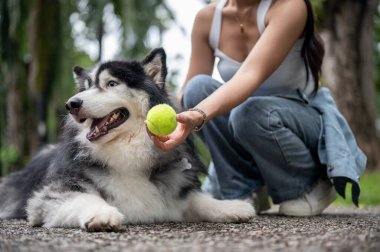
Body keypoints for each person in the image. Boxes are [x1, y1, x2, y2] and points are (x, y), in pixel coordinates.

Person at [149, 0, 367, 216]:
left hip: (302, 122)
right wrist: (159, 122)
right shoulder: (208, 18)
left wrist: (198, 114)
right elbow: (189, 88)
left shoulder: (290, 6)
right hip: (247, 123)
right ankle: (242, 187)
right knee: (197, 89)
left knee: (248, 111)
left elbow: (250, 75)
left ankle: (307, 183)